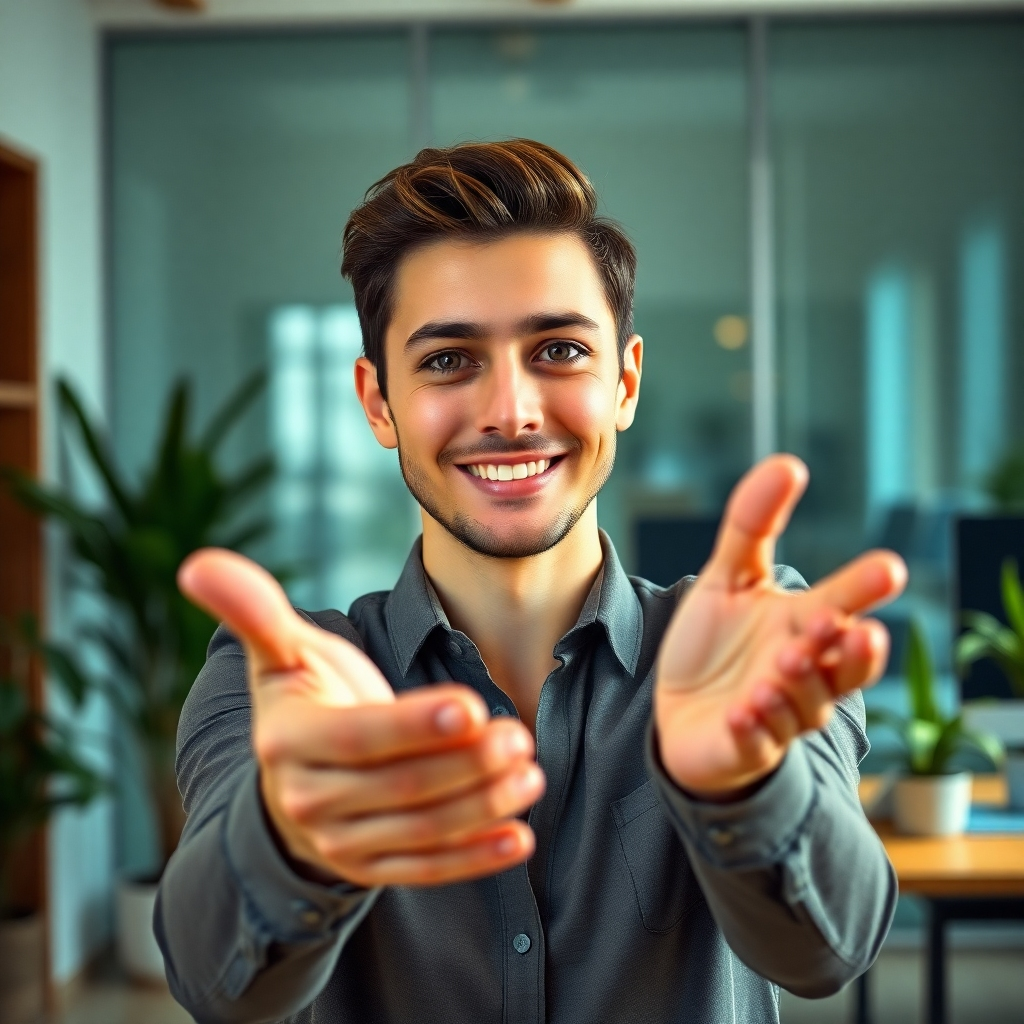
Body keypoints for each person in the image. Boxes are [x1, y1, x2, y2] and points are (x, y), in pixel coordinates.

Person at [157, 140, 906, 1024]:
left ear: (625, 382)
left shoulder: (750, 645)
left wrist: (745, 788)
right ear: (376, 402)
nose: (511, 411)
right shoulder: (281, 679)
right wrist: (288, 843)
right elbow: (216, 983)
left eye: (557, 348)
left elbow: (827, 953)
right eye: (446, 360)